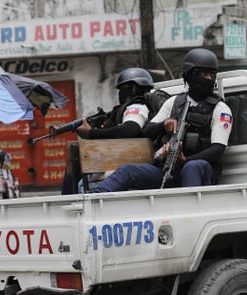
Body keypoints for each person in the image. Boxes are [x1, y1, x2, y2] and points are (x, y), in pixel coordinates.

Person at [89, 48, 233, 192]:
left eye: (211, 74)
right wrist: (164, 125)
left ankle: (190, 211)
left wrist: (185, 160)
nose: (208, 78)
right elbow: (147, 131)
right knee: (127, 171)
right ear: (189, 76)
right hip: (168, 168)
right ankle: (92, 200)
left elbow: (218, 149)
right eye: (202, 74)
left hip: (200, 172)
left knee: (193, 166)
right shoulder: (174, 102)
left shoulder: (220, 109)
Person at [61, 67, 154, 194]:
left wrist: (91, 133)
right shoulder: (121, 110)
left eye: (125, 88)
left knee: (80, 166)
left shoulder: (137, 106)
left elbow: (130, 129)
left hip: (128, 163)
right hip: (117, 160)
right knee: (75, 155)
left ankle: (67, 200)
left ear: (136, 87)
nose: (121, 92)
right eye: (120, 89)